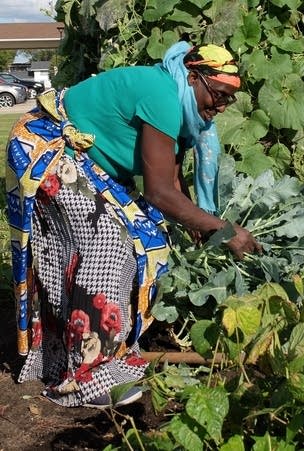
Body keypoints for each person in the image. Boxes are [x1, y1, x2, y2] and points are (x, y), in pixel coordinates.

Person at [5, 41, 261, 408]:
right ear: (193, 77)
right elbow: (158, 192)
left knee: (149, 237)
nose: (220, 106)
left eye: (228, 100)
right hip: (49, 144)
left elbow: (172, 184)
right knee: (108, 243)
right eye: (218, 94)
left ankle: (90, 354)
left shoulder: (182, 104)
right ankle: (87, 379)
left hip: (85, 155)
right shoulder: (162, 97)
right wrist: (225, 229)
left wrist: (199, 223)